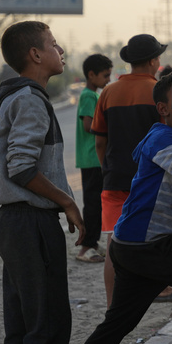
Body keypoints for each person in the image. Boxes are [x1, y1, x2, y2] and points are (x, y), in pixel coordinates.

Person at [42, 74, 172, 344]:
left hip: (132, 246)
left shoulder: (167, 135)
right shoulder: (165, 139)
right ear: (164, 110)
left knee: (114, 326)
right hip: (148, 247)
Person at [0, 21, 84, 344]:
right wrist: (67, 201)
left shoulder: (8, 94)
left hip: (11, 223)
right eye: (52, 44)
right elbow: (20, 166)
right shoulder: (29, 98)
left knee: (23, 327)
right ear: (35, 55)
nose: (60, 49)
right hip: (30, 223)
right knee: (48, 328)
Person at [91, 33, 166, 306]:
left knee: (114, 243)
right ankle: (159, 291)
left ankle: (113, 304)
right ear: (153, 61)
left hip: (114, 179)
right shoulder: (157, 91)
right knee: (156, 238)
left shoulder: (109, 92)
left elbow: (100, 140)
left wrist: (107, 169)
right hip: (149, 180)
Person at [75, 53, 112, 263]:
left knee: (96, 204)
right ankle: (86, 247)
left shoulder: (94, 95)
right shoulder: (89, 96)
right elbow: (89, 125)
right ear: (92, 75)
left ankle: (92, 243)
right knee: (93, 205)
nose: (108, 80)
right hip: (92, 158)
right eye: (105, 75)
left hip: (93, 159)